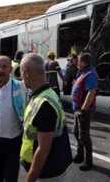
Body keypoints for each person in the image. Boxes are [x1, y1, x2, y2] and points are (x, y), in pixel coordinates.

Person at [19, 53, 72, 182]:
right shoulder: (47, 93)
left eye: (20, 73)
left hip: (46, 173)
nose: (21, 78)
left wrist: (30, 179)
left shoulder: (44, 103)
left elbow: (43, 149)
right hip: (52, 165)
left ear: (26, 72)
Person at [71, 52, 98, 171]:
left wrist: (83, 109)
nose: (77, 62)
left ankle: (88, 161)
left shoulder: (90, 74)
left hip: (84, 109)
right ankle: (80, 154)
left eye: (79, 61)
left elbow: (91, 93)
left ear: (85, 62)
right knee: (76, 132)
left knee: (84, 136)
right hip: (77, 108)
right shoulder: (83, 71)